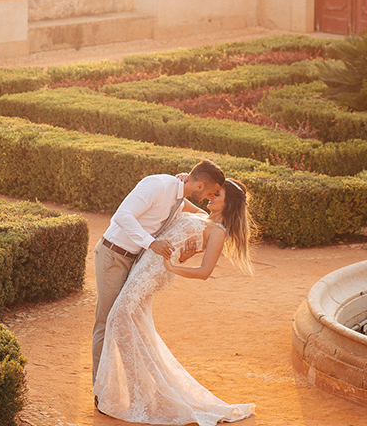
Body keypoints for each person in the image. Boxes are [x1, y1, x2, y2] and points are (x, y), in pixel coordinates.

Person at [93, 177, 255, 425]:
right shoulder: (205, 217)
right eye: (213, 192)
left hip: (151, 274)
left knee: (120, 319)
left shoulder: (218, 232)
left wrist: (174, 266)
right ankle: (144, 393)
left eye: (218, 195)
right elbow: (178, 201)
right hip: (141, 266)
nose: (211, 196)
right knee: (132, 327)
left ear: (229, 205)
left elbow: (204, 272)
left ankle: (137, 395)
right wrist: (182, 179)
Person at [92, 159, 226, 390]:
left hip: (135, 261)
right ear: (201, 186)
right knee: (107, 322)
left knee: (126, 321)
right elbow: (122, 216)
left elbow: (203, 218)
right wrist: (151, 243)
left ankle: (134, 387)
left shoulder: (178, 198)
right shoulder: (158, 185)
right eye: (210, 193)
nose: (207, 199)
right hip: (113, 256)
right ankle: (101, 390)